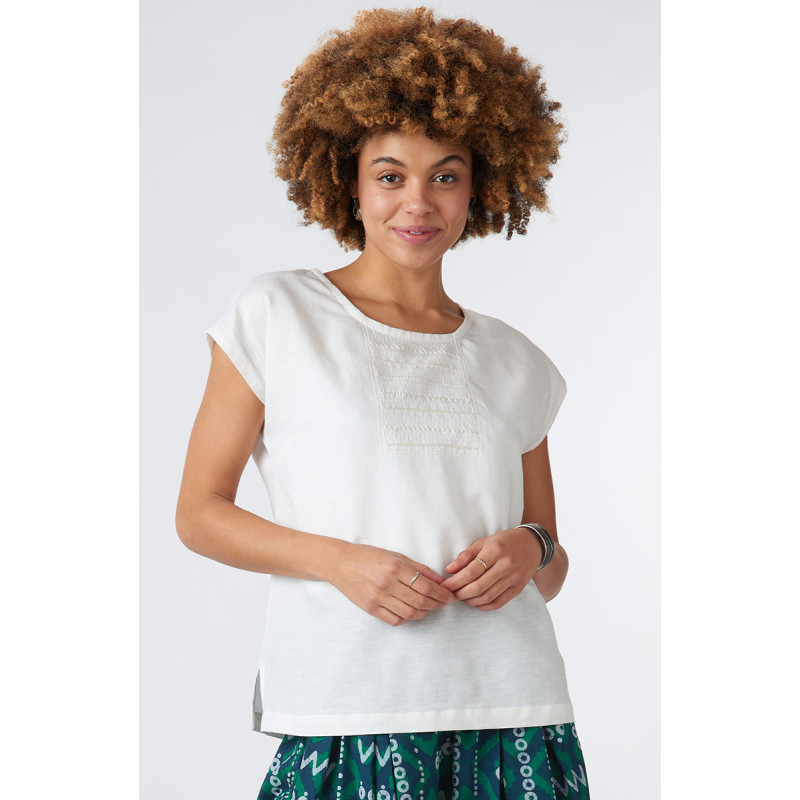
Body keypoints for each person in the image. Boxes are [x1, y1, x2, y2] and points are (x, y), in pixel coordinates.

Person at [176, 7, 591, 799]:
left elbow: (551, 561)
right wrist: (340, 563)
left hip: (517, 708)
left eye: (446, 175)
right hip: (348, 707)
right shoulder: (279, 314)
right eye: (391, 175)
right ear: (350, 182)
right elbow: (199, 513)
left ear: (479, 186)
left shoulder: (515, 360)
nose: (418, 202)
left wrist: (530, 548)